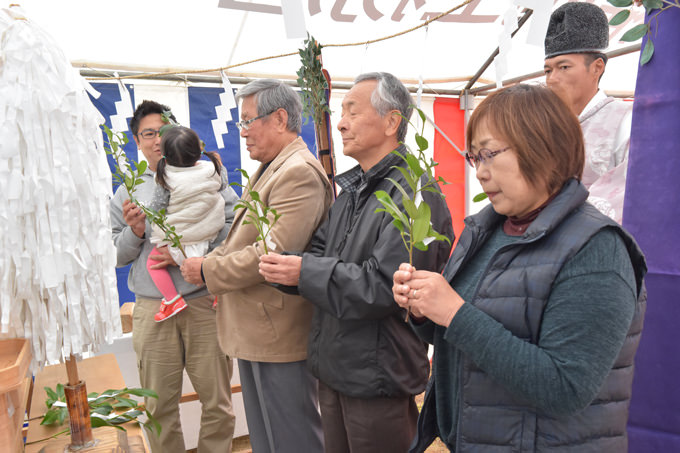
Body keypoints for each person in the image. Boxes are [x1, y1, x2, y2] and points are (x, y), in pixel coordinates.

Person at [392, 84, 647, 452]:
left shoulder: (597, 249)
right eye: (474, 157)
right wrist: (424, 310)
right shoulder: (486, 229)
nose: (480, 172)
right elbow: (460, 340)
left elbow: (566, 388)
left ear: (543, 147)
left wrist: (454, 312)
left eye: (490, 154)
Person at [259, 72, 454, 453]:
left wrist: (304, 271)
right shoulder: (354, 191)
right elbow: (318, 252)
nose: (341, 122)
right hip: (336, 366)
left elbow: (386, 287)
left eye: (352, 110)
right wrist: (288, 270)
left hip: (377, 374)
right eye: (340, 111)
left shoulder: (415, 194)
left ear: (391, 122)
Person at [180, 79, 332, 453]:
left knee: (291, 437)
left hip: (278, 330)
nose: (243, 132)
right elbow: (241, 240)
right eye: (240, 123)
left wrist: (207, 271)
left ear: (280, 118)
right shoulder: (274, 166)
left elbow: (271, 253)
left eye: (248, 121)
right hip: (258, 327)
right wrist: (209, 261)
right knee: (267, 437)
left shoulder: (298, 172)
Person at [110, 100, 238, 452]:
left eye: (162, 131)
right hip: (154, 310)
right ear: (137, 140)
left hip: (204, 306)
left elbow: (234, 229)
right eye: (148, 133)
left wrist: (200, 258)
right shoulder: (128, 190)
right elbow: (116, 255)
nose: (155, 139)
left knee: (218, 404)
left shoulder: (208, 176)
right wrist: (135, 231)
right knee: (158, 408)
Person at [543, 1, 633, 223]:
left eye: (564, 67)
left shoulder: (627, 119)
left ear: (597, 68)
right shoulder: (545, 126)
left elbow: (629, 192)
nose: (552, 78)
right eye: (548, 70)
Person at [146, 125, 226, 322]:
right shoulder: (211, 169)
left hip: (179, 242)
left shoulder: (165, 178)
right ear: (199, 150)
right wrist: (219, 164)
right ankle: (219, 296)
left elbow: (155, 210)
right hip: (209, 235)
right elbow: (222, 184)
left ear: (164, 156)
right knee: (212, 265)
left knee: (153, 262)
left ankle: (172, 300)